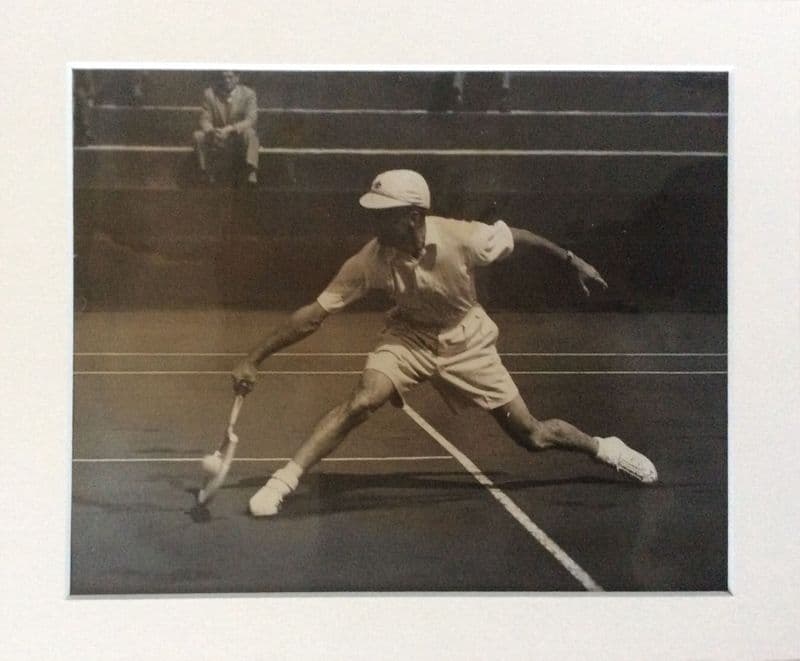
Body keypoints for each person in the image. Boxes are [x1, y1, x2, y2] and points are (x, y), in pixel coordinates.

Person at [230, 169, 657, 517]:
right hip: (408, 338)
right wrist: (254, 358)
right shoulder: (369, 259)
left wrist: (571, 260)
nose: (374, 223)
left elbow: (519, 235)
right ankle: (282, 482)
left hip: (468, 342)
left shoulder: (465, 238)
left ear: (413, 216)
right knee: (362, 400)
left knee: (533, 436)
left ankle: (604, 448)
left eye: (384, 213)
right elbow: (314, 314)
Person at [193, 71, 259, 185]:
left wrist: (232, 129)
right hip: (217, 135)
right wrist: (212, 130)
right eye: (223, 77)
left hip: (238, 136)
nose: (226, 80)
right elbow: (204, 118)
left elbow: (251, 119)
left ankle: (250, 171)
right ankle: (205, 172)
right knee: (198, 136)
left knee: (251, 133)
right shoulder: (209, 94)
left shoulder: (248, 94)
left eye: (230, 77)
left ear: (237, 78)